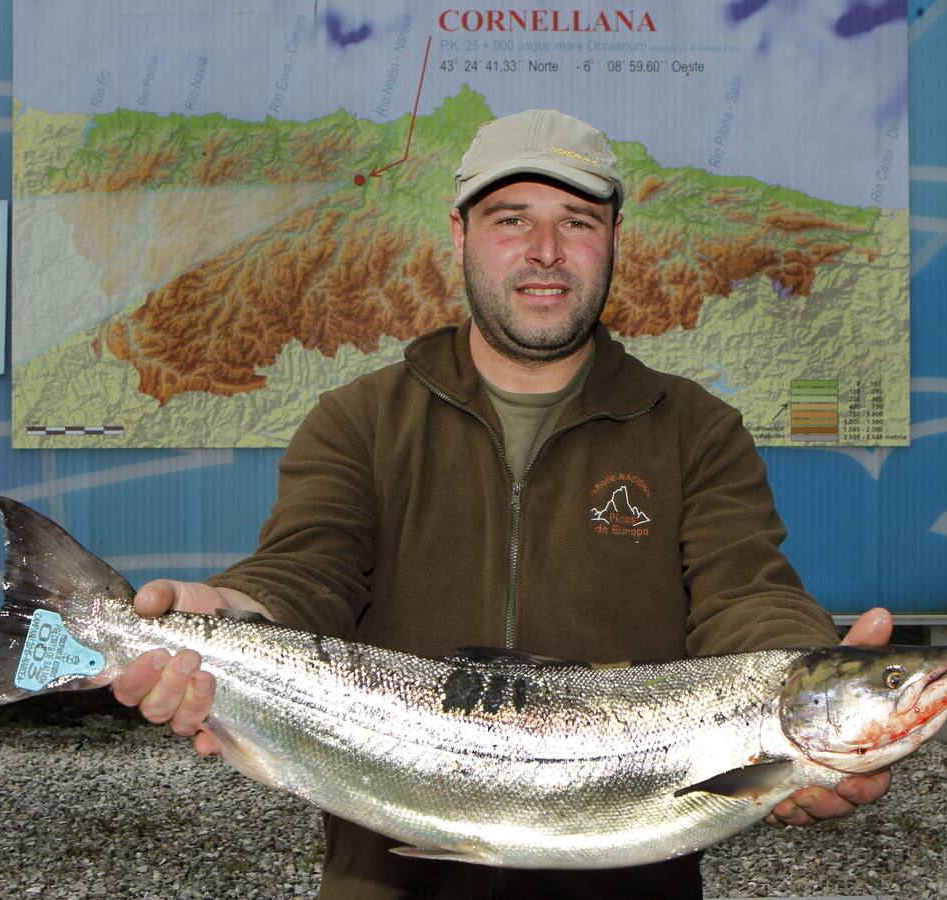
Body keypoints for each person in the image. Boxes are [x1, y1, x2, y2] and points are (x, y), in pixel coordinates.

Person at [111, 109, 892, 899]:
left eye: (575, 222)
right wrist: (232, 610)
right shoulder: (359, 419)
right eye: (510, 219)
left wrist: (814, 682)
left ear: (614, 238)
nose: (544, 252)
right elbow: (309, 566)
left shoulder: (696, 431)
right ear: (459, 237)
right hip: (386, 878)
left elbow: (746, 588)